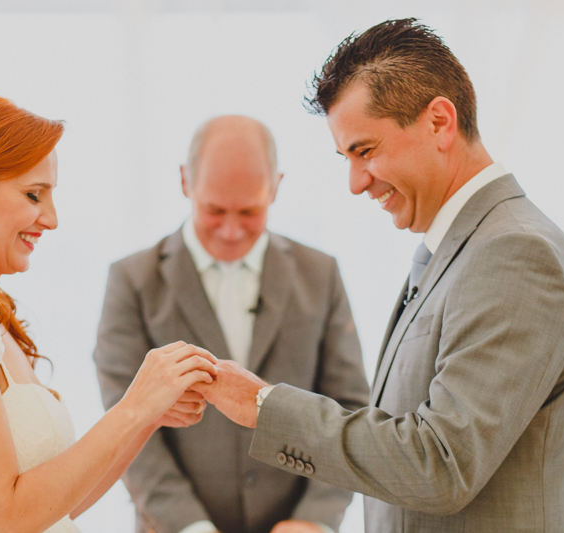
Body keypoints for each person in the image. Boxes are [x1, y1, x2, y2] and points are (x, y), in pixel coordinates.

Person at [193, 19, 564, 533]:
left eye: (364, 151)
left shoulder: (515, 253)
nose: (355, 182)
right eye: (346, 158)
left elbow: (440, 464)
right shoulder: (462, 247)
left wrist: (262, 405)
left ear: (439, 122)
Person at [0, 93, 217, 533]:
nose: (50, 219)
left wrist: (143, 417)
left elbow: (57, 506)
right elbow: (1, 520)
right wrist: (133, 407)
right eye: (33, 195)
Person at [93, 115, 369, 533]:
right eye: (215, 209)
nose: (231, 230)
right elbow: (125, 418)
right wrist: (191, 526)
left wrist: (315, 518)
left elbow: (347, 404)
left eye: (250, 211)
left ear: (275, 187)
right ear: (186, 182)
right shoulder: (132, 281)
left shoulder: (320, 274)